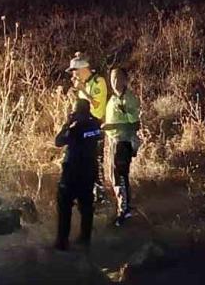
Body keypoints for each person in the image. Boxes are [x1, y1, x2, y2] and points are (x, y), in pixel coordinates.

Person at [54, 98, 103, 250]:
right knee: (86, 206)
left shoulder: (75, 129)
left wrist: (67, 124)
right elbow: (99, 130)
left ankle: (62, 242)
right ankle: (85, 239)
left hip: (72, 171)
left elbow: (58, 141)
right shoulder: (95, 126)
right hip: (89, 170)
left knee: (65, 206)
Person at [67, 52, 110, 204]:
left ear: (84, 69)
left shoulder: (99, 82)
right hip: (83, 127)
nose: (75, 75)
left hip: (96, 125)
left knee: (96, 162)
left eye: (76, 71)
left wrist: (83, 90)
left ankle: (101, 196)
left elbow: (97, 106)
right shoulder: (82, 85)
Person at [103, 67, 141, 225]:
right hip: (113, 141)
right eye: (112, 78)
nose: (114, 81)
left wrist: (112, 127)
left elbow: (135, 124)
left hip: (123, 142)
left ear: (125, 80)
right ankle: (124, 208)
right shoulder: (113, 99)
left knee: (120, 176)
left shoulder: (129, 99)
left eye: (118, 78)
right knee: (115, 176)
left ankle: (124, 211)